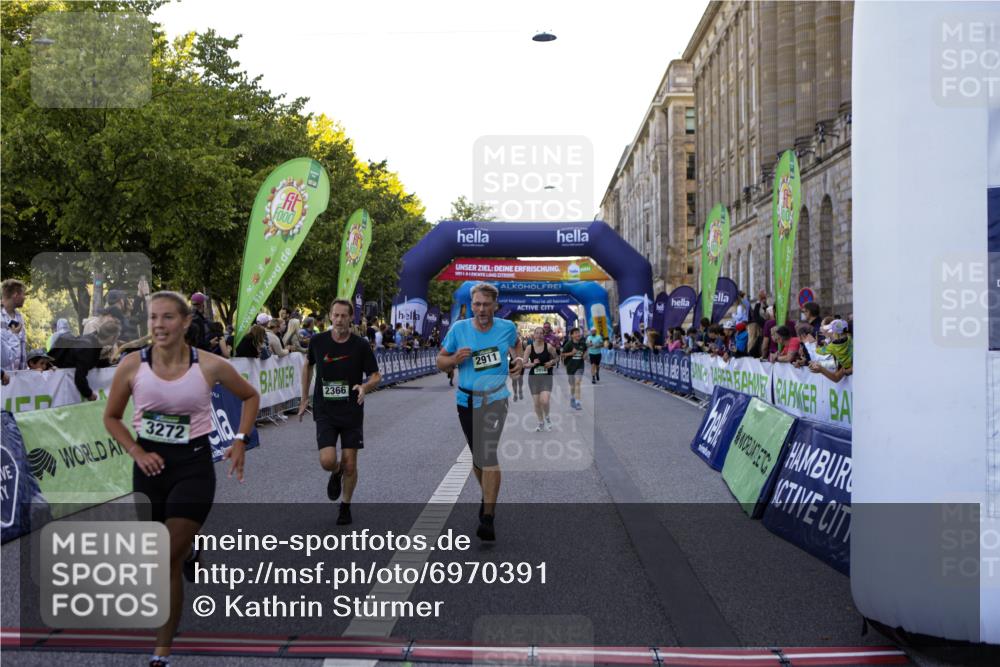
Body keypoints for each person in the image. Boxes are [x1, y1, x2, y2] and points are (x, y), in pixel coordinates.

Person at [103, 291, 259, 667]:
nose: (158, 325)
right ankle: (190, 550)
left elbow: (250, 396)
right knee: (163, 559)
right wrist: (136, 451)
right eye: (153, 318)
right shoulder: (132, 365)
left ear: (186, 322)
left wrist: (240, 440)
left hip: (193, 467)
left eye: (168, 317)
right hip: (149, 469)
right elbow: (111, 417)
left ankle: (161, 651)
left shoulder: (209, 364)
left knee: (165, 557)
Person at [436, 283, 522, 541]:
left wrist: (518, 360)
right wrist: (453, 360)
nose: (481, 309)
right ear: (471, 305)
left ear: (495, 305)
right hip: (466, 400)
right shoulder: (459, 329)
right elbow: (440, 360)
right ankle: (487, 495)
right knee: (478, 458)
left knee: (487, 453)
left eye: (486, 304)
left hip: (495, 399)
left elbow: (517, 345)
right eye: (477, 304)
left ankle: (488, 517)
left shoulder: (507, 328)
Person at [297, 299, 381, 526]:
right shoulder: (318, 341)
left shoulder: (360, 345)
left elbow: (376, 376)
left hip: (351, 410)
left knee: (350, 464)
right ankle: (336, 472)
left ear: (351, 318)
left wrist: (364, 387)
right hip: (325, 409)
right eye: (336, 315)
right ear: (330, 316)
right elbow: (307, 366)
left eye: (344, 316)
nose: (339, 320)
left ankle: (345, 506)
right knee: (327, 460)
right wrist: (304, 398)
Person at [50, 319, 122, 401]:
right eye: (117, 337)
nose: (116, 340)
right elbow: (79, 378)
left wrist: (108, 363)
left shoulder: (94, 339)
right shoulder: (88, 348)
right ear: (112, 337)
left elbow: (91, 361)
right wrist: (89, 394)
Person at [523, 326, 556, 432]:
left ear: (544, 335)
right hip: (534, 378)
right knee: (537, 403)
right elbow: (524, 364)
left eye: (541, 333)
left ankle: (547, 417)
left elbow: (557, 358)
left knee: (545, 401)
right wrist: (532, 364)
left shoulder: (549, 347)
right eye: (537, 333)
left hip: (546, 377)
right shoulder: (529, 348)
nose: (539, 335)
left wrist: (551, 362)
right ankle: (541, 422)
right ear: (534, 335)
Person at [1, 278, 27, 374]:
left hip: (17, 378)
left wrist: (23, 373)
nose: (25, 298)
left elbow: (22, 347)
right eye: (23, 294)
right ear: (15, 295)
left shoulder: (20, 318)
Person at [561, 327, 588, 411]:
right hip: (570, 367)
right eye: (576, 333)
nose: (578, 334)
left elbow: (586, 350)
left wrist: (585, 355)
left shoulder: (582, 343)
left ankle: (578, 402)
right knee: (572, 385)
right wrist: (571, 353)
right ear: (572, 335)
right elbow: (562, 354)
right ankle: (572, 398)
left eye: (578, 332)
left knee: (577, 383)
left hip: (580, 366)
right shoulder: (569, 344)